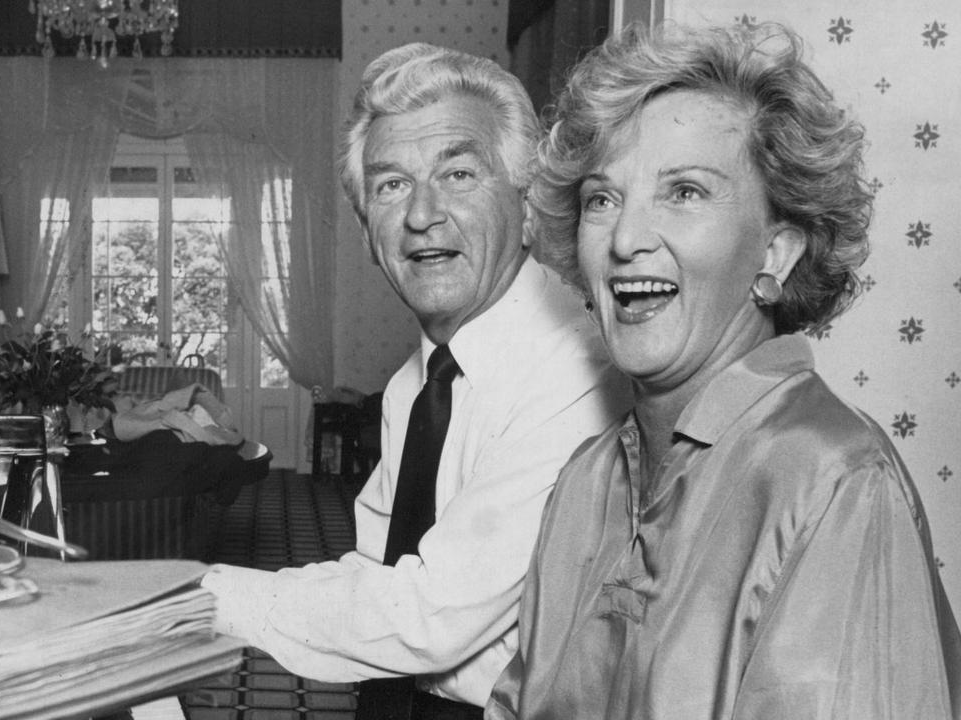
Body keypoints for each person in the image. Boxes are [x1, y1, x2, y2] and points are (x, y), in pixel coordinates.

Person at [486, 21, 961, 720]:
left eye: (684, 192)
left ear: (776, 254)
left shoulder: (835, 481)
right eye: (602, 199)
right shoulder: (585, 481)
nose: (626, 239)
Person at [201, 43, 628, 717]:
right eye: (391, 185)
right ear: (369, 229)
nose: (422, 214)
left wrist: (198, 594)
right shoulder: (419, 377)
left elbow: (431, 618)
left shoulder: (579, 373)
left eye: (459, 173)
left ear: (527, 205)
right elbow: (378, 575)